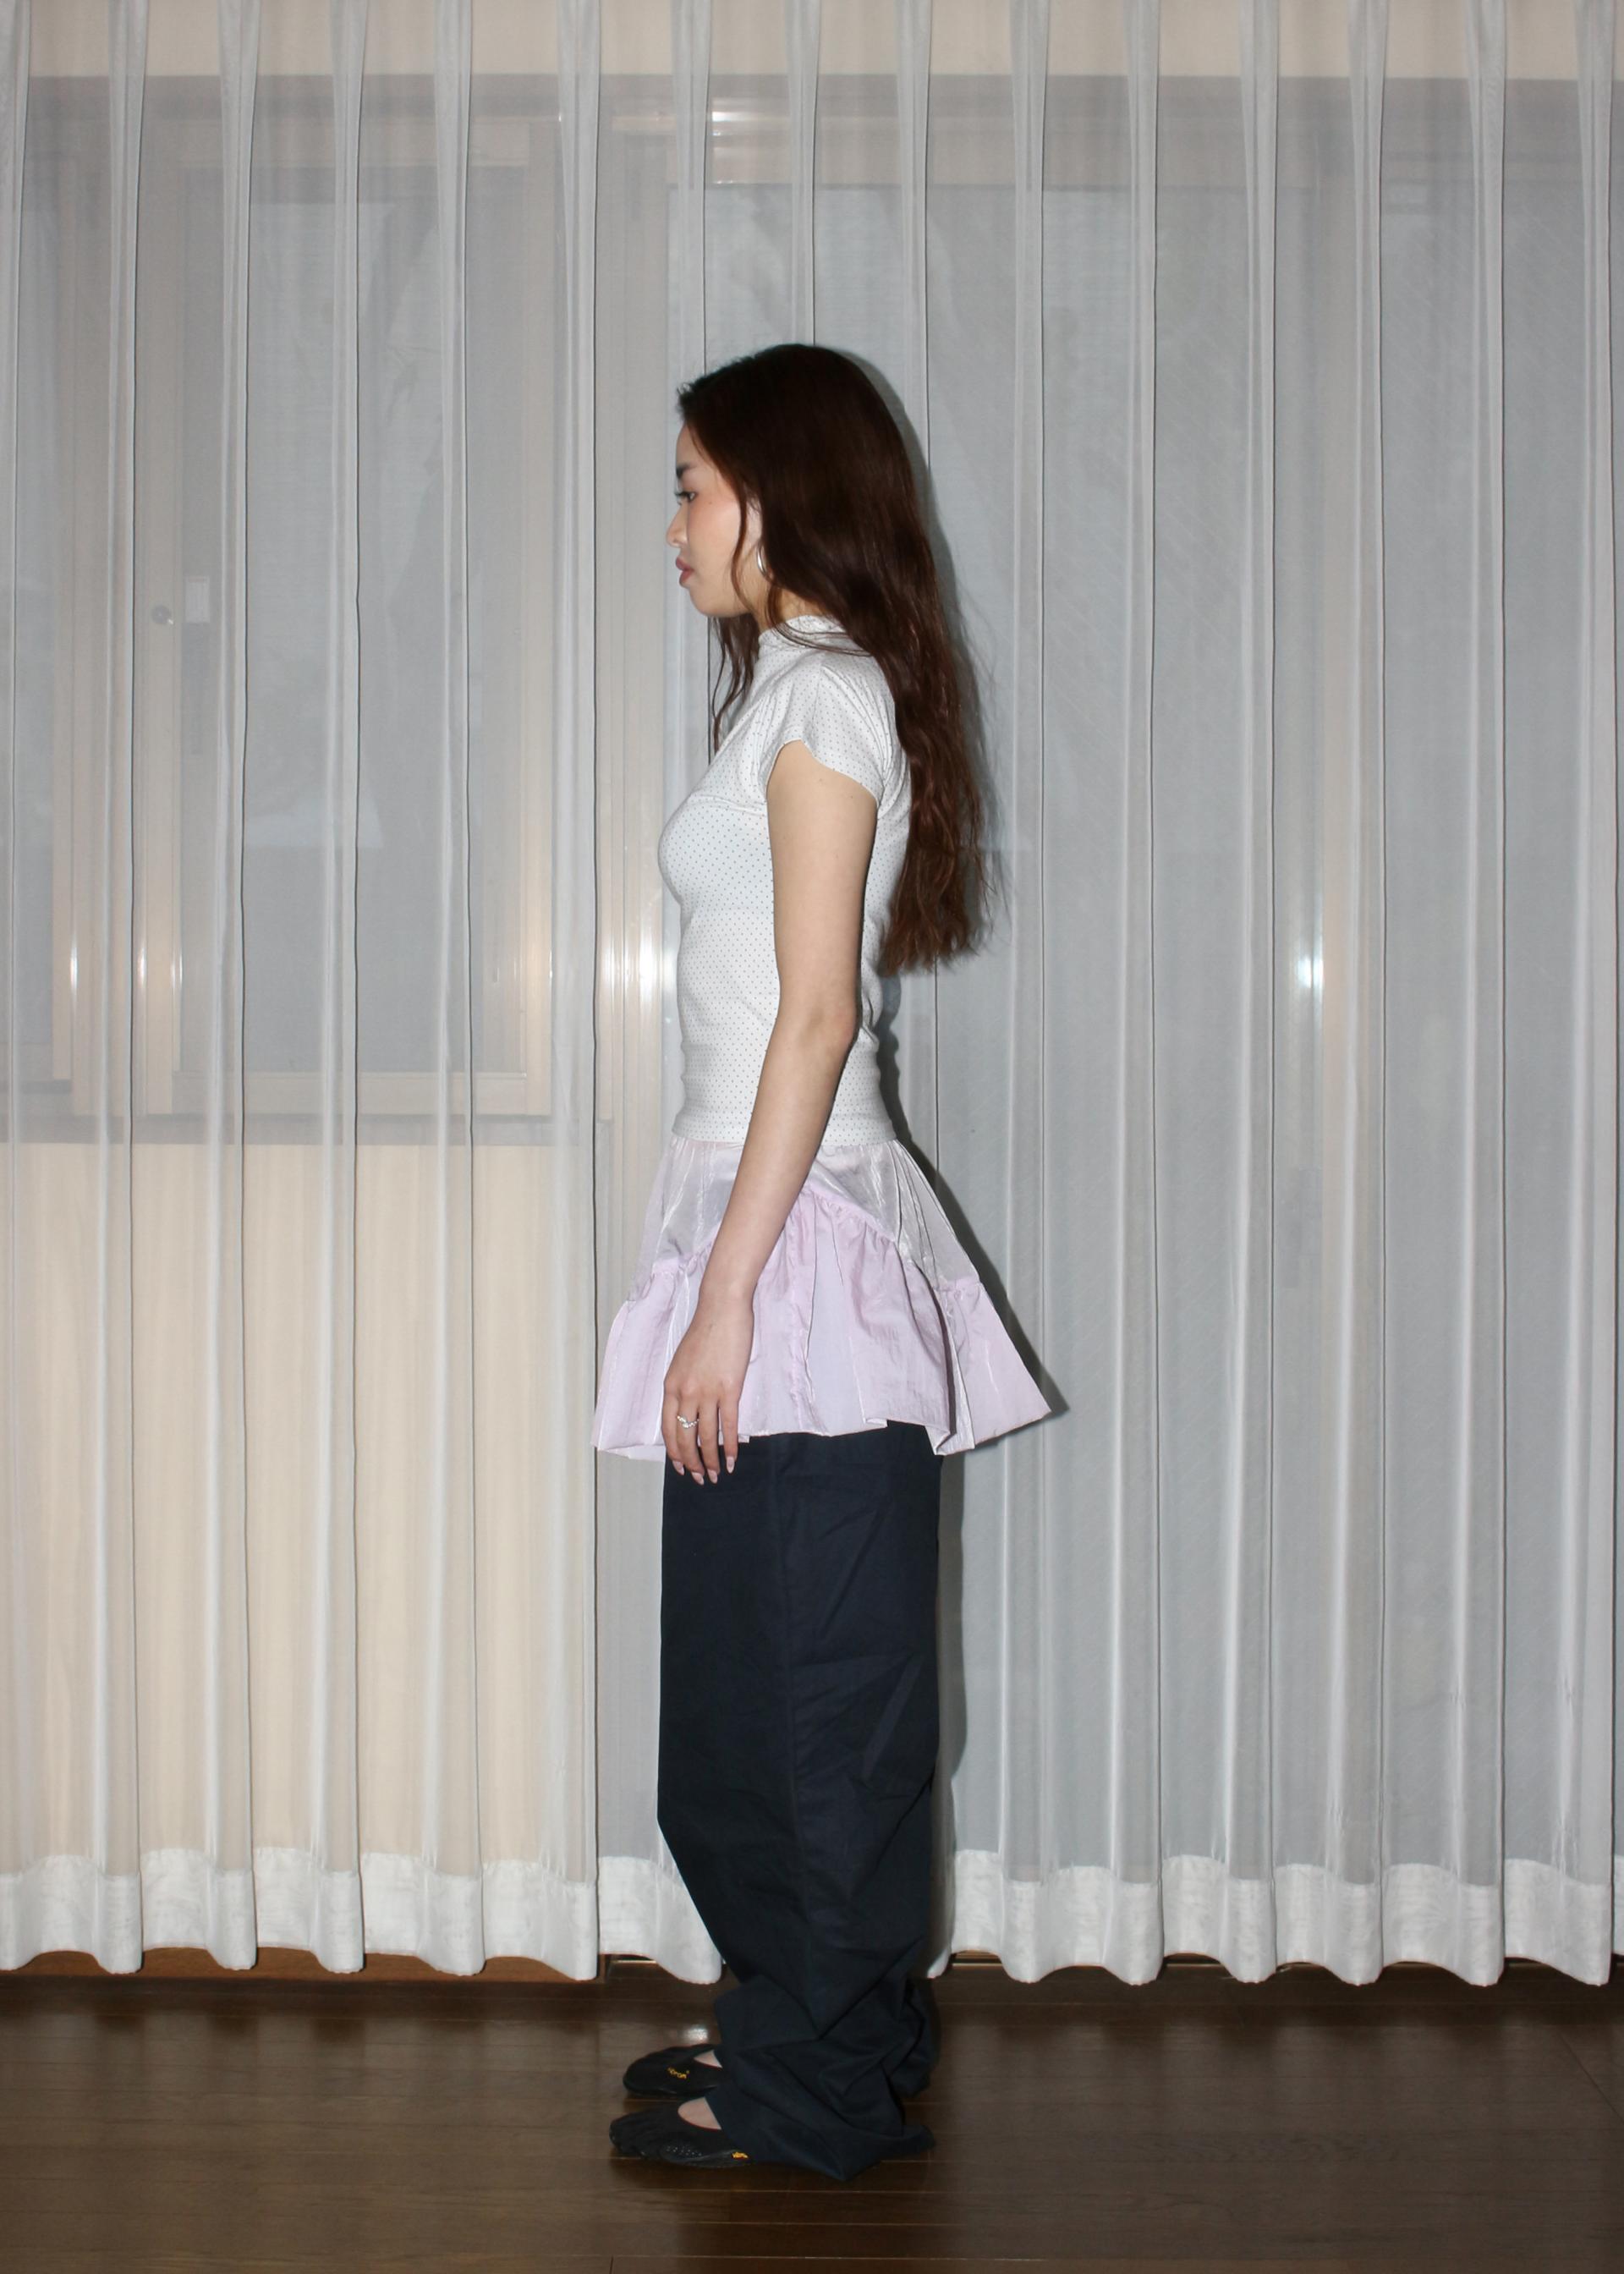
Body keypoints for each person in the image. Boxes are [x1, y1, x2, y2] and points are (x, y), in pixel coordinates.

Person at [594, 342, 1051, 2181]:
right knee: (751, 1692)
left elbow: (814, 1019)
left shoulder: (829, 698)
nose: (672, 524)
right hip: (759, 1219)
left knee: (809, 1704)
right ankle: (814, 2026)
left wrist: (725, 1299)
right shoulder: (793, 692)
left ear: (778, 498)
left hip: (795, 1250)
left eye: (691, 487)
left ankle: (816, 2088)